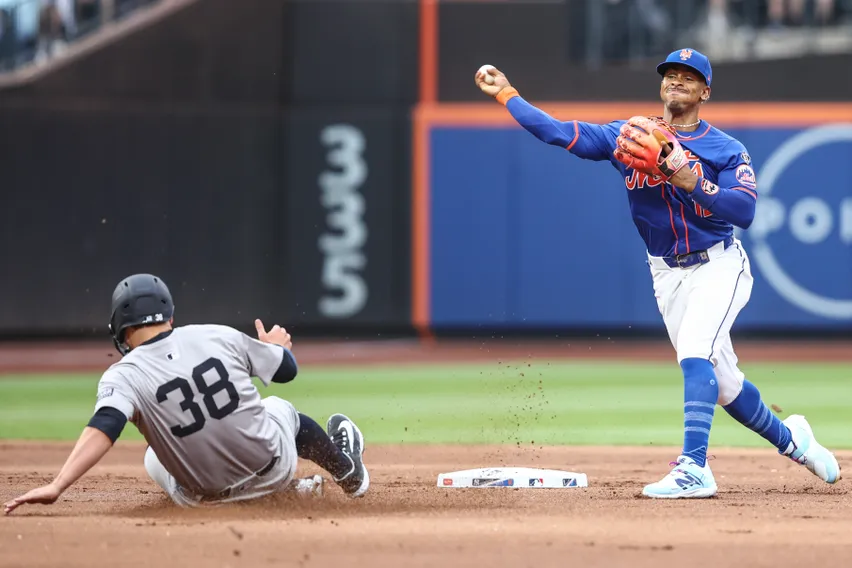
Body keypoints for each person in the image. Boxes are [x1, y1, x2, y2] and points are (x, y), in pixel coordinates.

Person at [473, 49, 840, 498]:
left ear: (705, 91)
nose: (677, 80)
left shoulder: (726, 148)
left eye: (689, 76)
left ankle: (694, 468)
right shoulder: (630, 136)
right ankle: (796, 443)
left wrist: (689, 177)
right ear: (661, 85)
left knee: (694, 354)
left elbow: (743, 210)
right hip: (666, 274)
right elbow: (557, 133)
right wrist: (507, 94)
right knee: (724, 386)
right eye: (671, 74)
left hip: (718, 265)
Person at [4, 273, 369, 514]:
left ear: (120, 328)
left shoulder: (122, 375)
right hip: (272, 470)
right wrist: (275, 348)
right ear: (169, 316)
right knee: (277, 406)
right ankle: (347, 471)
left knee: (153, 454)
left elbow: (106, 426)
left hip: (202, 500)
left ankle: (294, 491)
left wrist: (58, 484)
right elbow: (287, 371)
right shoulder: (215, 334)